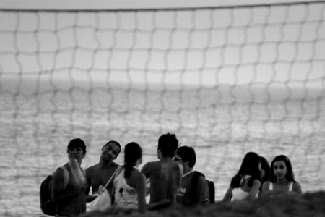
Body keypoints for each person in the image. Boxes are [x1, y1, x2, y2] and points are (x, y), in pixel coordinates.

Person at [141, 132, 182, 206]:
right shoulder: (178, 167)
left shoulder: (150, 166)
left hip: (154, 211)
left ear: (159, 149)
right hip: (171, 212)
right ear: (175, 151)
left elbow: (136, 192)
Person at [51, 138, 87, 216]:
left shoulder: (83, 172)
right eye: (71, 149)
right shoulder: (61, 172)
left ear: (84, 154)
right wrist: (74, 193)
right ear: (68, 152)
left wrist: (96, 195)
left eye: (78, 149)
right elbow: (54, 199)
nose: (74, 152)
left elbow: (81, 198)